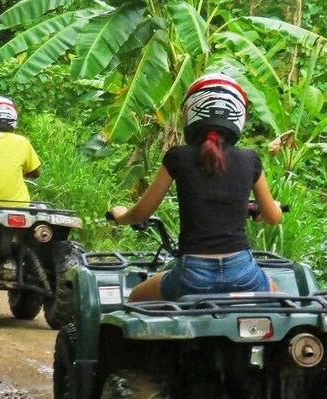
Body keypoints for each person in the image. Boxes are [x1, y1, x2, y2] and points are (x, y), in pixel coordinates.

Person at [109, 72, 283, 302]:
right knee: (276, 299)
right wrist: (273, 206)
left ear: (190, 111)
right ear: (238, 114)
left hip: (192, 275)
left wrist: (121, 215)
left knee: (135, 299)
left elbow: (141, 215)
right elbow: (273, 218)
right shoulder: (250, 159)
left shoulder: (178, 157)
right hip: (242, 272)